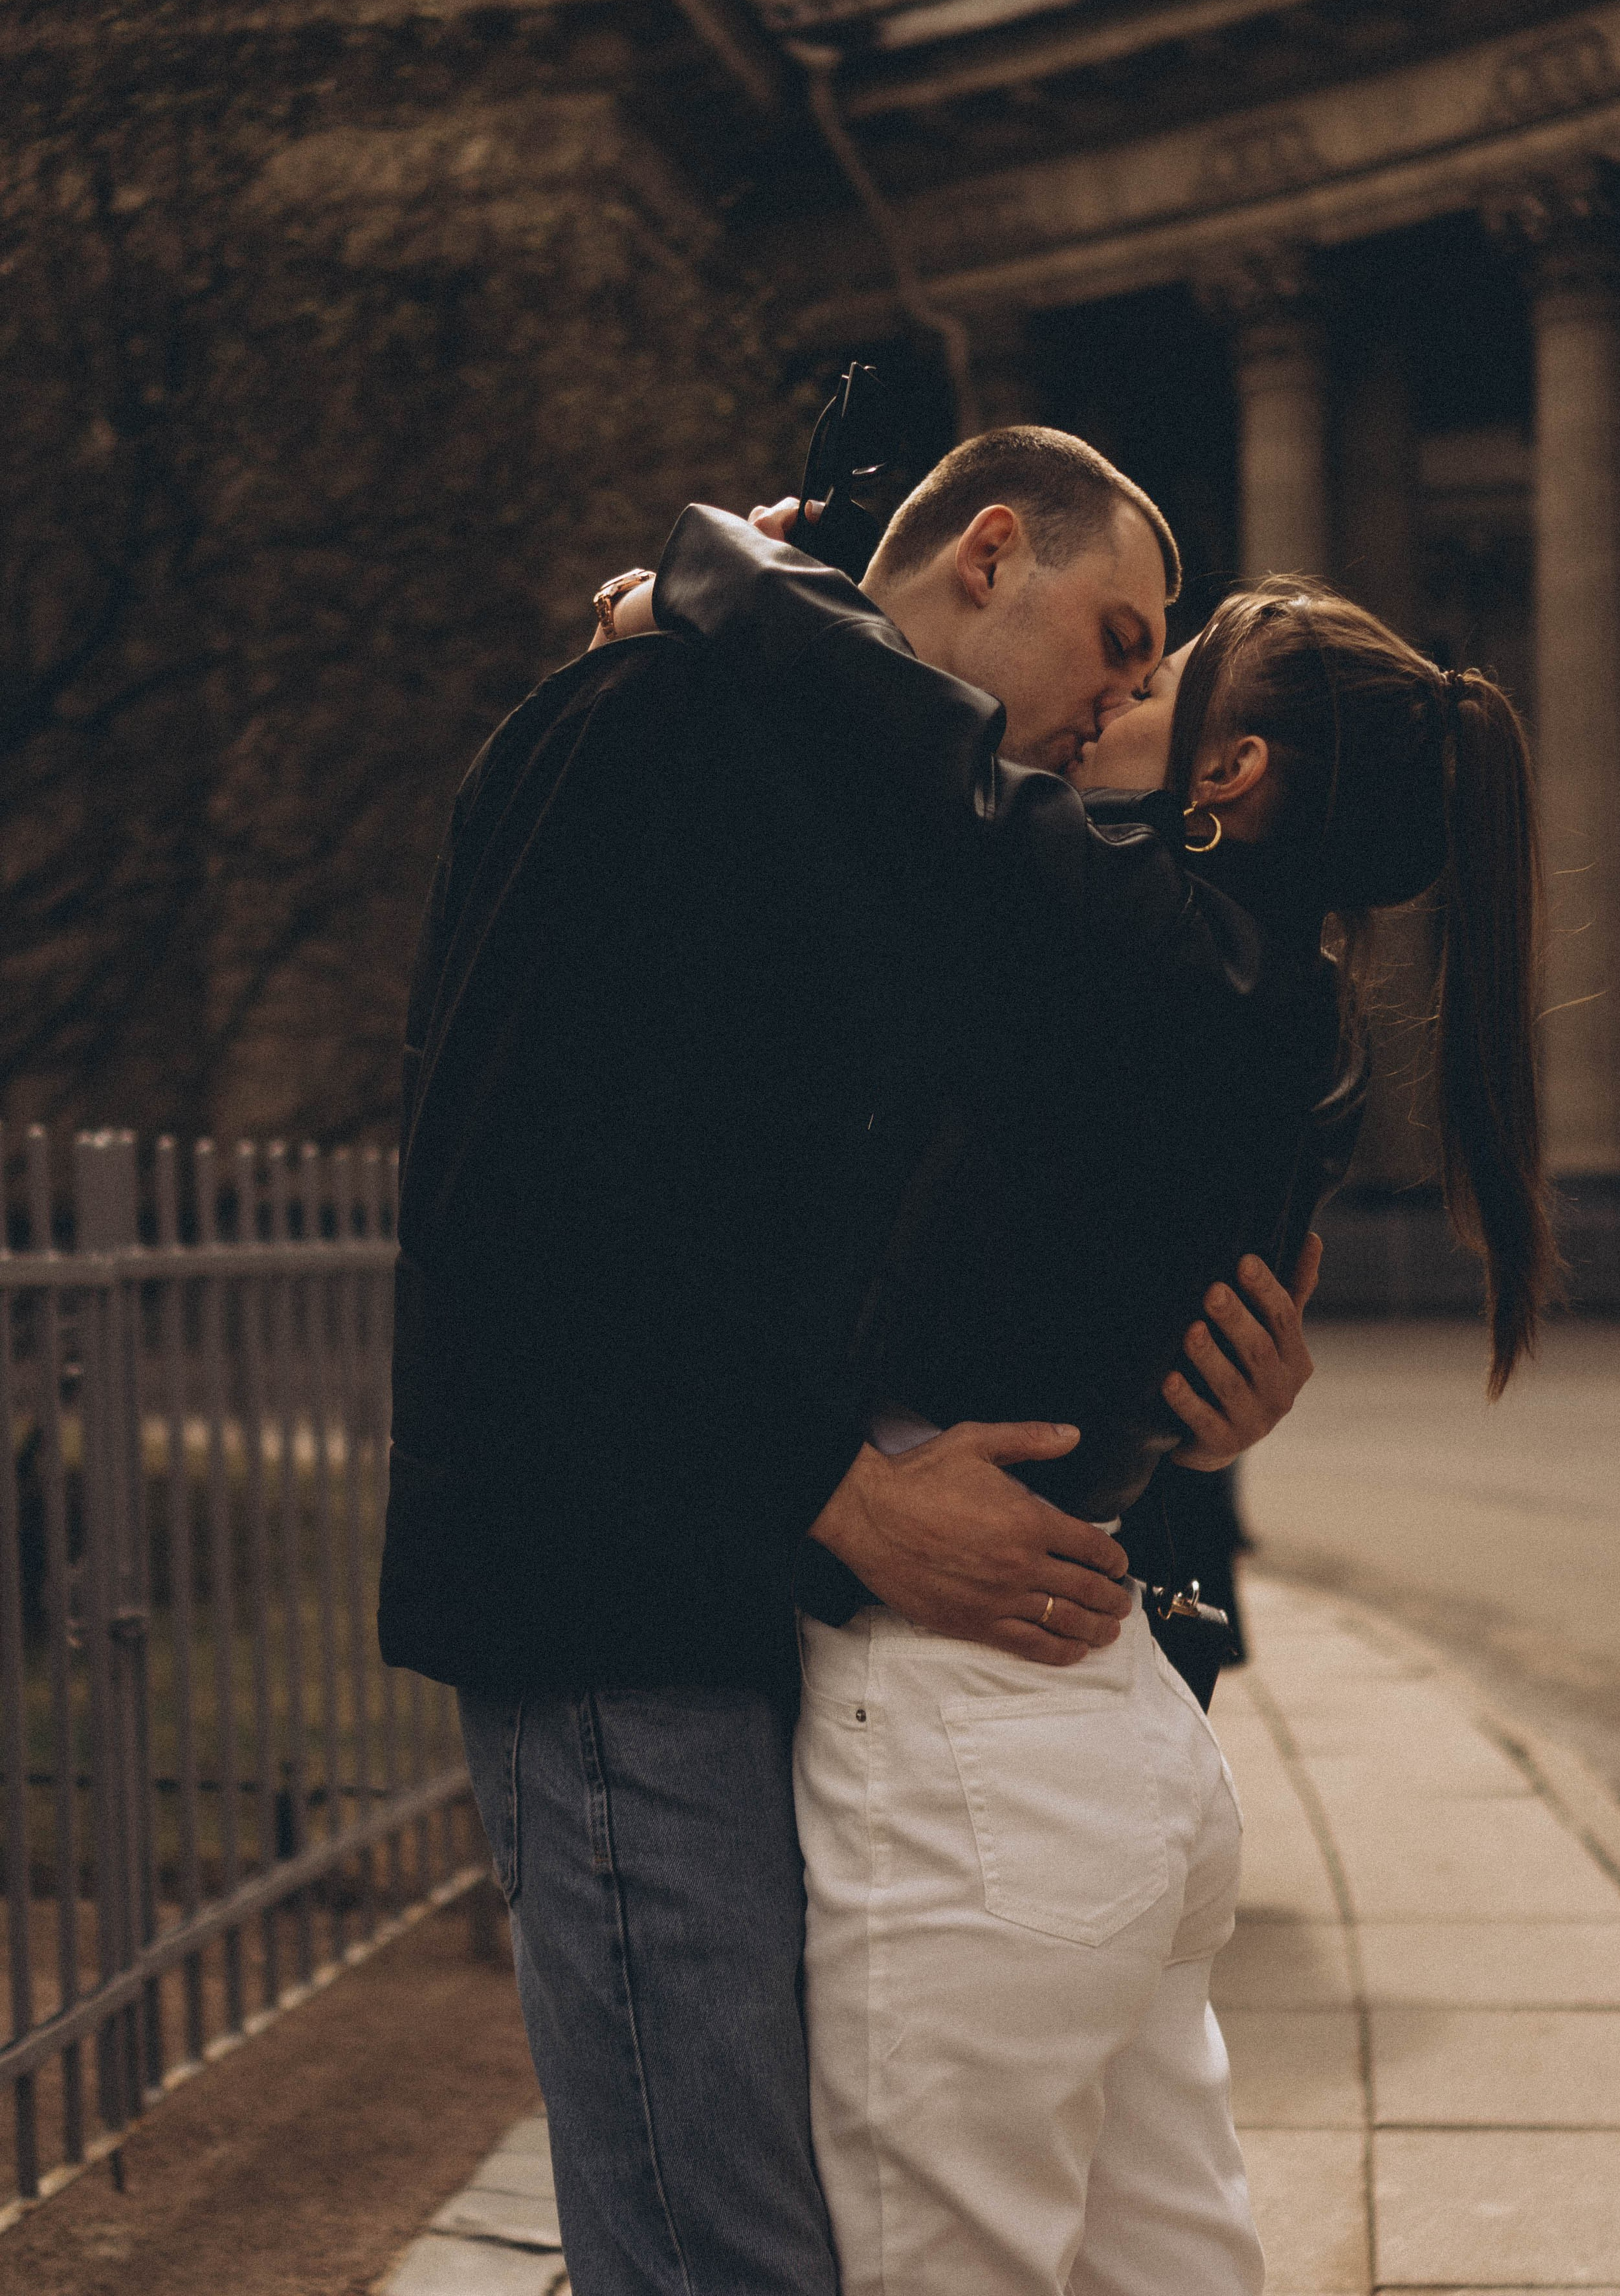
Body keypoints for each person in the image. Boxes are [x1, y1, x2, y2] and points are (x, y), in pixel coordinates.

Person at [377, 428, 1321, 2296]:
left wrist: (1195, 1359)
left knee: (756, 2227)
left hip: (744, 1605)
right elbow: (510, 1214)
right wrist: (834, 1494)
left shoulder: (856, 802)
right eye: (1120, 639)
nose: (1130, 694)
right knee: (718, 2241)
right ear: (991, 557)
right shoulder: (651, 726)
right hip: (612, 1609)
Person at [599, 537, 1556, 2296]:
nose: (1123, 687)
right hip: (1105, 1733)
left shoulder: (1149, 942)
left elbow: (910, 739)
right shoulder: (1297, 1014)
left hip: (973, 1744)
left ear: (1233, 773)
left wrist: (706, 579)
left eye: (1169, 662)